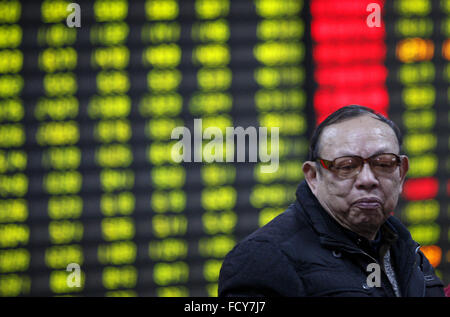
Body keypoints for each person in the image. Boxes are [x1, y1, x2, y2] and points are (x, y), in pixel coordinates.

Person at [218, 105, 445, 297]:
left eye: (384, 164)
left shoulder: (407, 251)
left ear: (401, 172)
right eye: (347, 166)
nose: (367, 180)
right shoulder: (263, 259)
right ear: (313, 177)